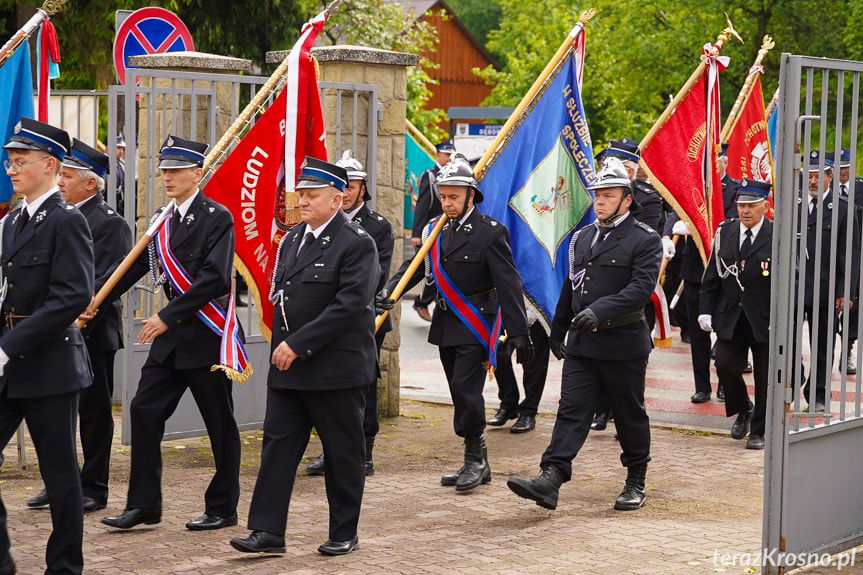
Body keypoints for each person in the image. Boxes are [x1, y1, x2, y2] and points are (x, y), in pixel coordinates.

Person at [230, 157, 378, 557]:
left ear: (337, 199)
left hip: (334, 370)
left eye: (312, 196)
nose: (303, 202)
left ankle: (344, 531)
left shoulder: (357, 242)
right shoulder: (294, 239)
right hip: (290, 371)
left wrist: (298, 344)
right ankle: (267, 531)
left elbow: (349, 305)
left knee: (343, 453)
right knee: (277, 448)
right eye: (302, 195)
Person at [100, 135, 242, 532]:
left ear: (198, 173)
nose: (168, 176)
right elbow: (136, 265)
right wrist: (98, 294)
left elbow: (214, 278)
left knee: (219, 423)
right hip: (171, 342)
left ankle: (222, 506)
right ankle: (144, 505)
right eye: (164, 169)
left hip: (206, 334)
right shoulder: (164, 217)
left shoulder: (217, 217)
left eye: (177, 170)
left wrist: (166, 315)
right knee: (144, 411)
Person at [507, 156, 661, 512]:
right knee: (571, 410)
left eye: (609, 195)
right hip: (583, 342)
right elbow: (572, 286)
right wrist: (558, 327)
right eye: (597, 195)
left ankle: (635, 479)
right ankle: (551, 477)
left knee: (628, 413)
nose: (601, 201)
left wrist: (599, 311)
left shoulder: (644, 239)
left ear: (627, 199)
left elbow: (640, 288)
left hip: (622, 342)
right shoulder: (583, 237)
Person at [381, 155, 533, 492]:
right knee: (457, 390)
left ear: (470, 196)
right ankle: (479, 460)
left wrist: (519, 332)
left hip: (477, 322)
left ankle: (474, 459)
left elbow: (508, 283)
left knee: (467, 390)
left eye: (453, 197)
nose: (447, 203)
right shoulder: (436, 228)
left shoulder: (490, 233)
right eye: (443, 196)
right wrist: (389, 291)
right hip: (447, 321)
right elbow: (415, 264)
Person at [0, 118, 94, 574]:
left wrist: (8, 345)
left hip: (51, 368)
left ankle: (64, 567)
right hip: (11, 365)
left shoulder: (66, 220)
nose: (11, 169)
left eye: (20, 162)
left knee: (60, 478)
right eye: (9, 161)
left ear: (50, 165)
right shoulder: (13, 220)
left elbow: (72, 296)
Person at [24, 139, 133, 515]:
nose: (60, 183)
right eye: (61, 175)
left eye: (67, 176)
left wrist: (79, 306)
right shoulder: (55, 216)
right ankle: (59, 483)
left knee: (94, 413)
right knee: (56, 413)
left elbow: (107, 277)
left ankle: (94, 485)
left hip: (93, 332)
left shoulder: (109, 223)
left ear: (91, 183)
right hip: (57, 331)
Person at [306, 150, 394, 477]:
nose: (346, 192)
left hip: (365, 316)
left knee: (363, 386)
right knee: (328, 388)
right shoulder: (321, 223)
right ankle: (331, 450)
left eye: (352, 186)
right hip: (326, 318)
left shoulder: (377, 226)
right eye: (341, 186)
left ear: (362, 189)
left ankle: (365, 451)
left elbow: (377, 274)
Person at [699, 180, 773, 449]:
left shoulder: (777, 234)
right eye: (741, 205)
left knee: (764, 378)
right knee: (725, 366)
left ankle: (758, 431)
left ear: (765, 205)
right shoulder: (725, 232)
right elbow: (712, 275)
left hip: (764, 317)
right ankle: (744, 408)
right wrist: (705, 310)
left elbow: (792, 280)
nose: (745, 211)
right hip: (730, 315)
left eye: (751, 205)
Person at [794, 151, 856, 413]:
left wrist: (845, 292)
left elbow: (849, 255)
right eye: (808, 175)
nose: (812, 181)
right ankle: (793, 376)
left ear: (831, 177)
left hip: (825, 288)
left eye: (819, 175)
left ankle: (817, 394)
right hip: (794, 288)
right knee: (788, 340)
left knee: (823, 346)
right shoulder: (791, 204)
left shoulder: (843, 209)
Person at [410, 141, 455, 322]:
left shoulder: (452, 175)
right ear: (438, 154)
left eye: (451, 155)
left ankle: (428, 303)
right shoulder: (430, 176)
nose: (449, 158)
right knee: (430, 269)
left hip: (447, 231)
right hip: (430, 230)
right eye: (446, 154)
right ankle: (422, 301)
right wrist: (416, 233)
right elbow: (422, 205)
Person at [489, 304, 550, 433]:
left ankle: (529, 411)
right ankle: (508, 404)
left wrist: (534, 312)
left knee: (533, 362)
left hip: (536, 307)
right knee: (499, 354)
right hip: (506, 307)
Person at [837, 148, 862, 374]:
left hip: (855, 258)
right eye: (840, 167)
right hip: (828, 259)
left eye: (846, 167)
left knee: (853, 308)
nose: (843, 171)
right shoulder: (824, 191)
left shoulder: (861, 189)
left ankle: (847, 352)